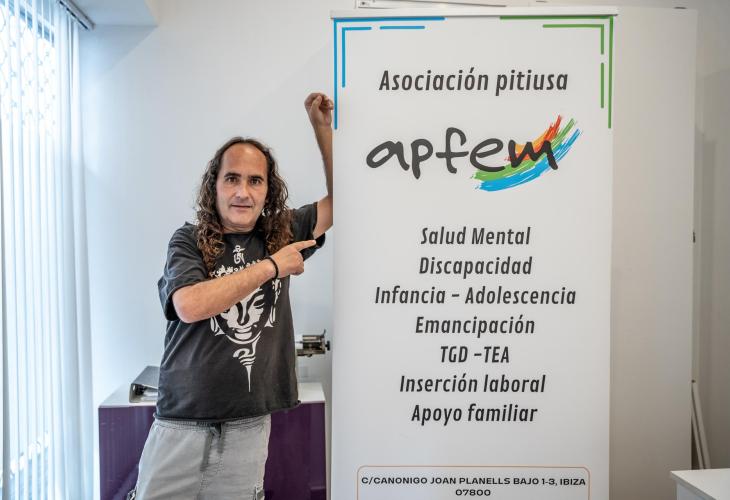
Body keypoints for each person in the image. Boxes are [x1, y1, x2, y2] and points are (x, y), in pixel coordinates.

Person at [131, 92, 333, 500]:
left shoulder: (281, 232)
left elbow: (347, 199)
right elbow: (189, 305)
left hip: (248, 426)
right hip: (182, 424)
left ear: (268, 190)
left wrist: (322, 130)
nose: (243, 191)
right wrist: (272, 266)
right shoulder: (188, 240)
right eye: (232, 178)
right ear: (215, 187)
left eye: (255, 180)